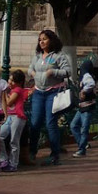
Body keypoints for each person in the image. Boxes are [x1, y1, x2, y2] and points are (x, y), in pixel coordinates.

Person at [27, 29, 72, 165]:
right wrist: (33, 74)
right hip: (38, 92)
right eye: (40, 40)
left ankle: (54, 154)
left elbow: (68, 71)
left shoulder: (59, 56)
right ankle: (32, 152)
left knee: (50, 122)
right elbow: (30, 69)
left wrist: (53, 72)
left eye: (44, 39)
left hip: (53, 92)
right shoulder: (37, 56)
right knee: (35, 122)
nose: (42, 42)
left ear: (51, 40)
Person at [0, 69, 30, 173]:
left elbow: (9, 102)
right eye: (9, 80)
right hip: (9, 117)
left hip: (18, 117)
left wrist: (5, 93)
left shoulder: (17, 90)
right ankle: (3, 159)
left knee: (14, 140)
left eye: (12, 81)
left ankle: (13, 163)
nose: (9, 82)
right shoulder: (11, 90)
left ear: (19, 82)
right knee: (0, 136)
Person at [70, 60, 98, 158]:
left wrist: (83, 91)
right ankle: (82, 144)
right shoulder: (83, 77)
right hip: (82, 107)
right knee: (73, 125)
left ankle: (82, 150)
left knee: (84, 129)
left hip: (88, 107)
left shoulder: (87, 76)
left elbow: (91, 84)